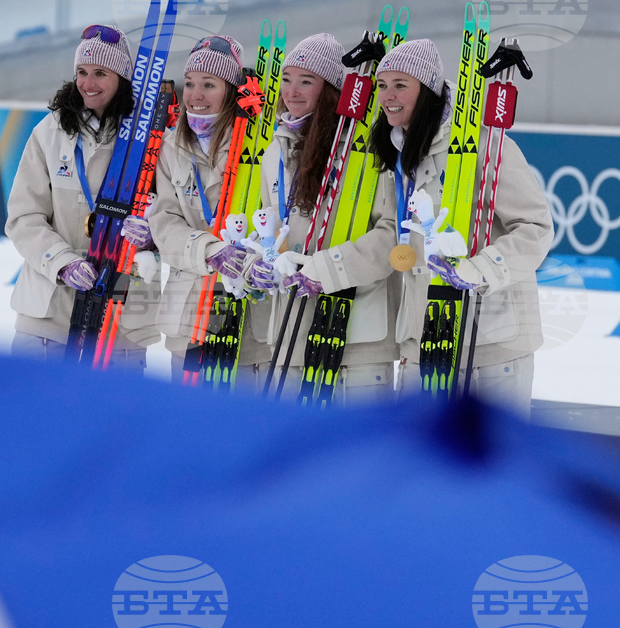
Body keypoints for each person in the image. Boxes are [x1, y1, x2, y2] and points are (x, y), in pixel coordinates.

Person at [369, 39, 553, 416]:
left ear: (428, 91)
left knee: (489, 471)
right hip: (426, 342)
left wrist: (479, 269)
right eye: (382, 84)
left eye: (400, 84)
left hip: (490, 345)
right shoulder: (401, 152)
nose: (388, 95)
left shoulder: (485, 146)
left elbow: (536, 227)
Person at [249, 33, 401, 402]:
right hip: (290, 335)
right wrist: (261, 261)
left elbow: (392, 234)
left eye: (307, 81)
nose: (292, 91)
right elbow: (268, 225)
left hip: (357, 336)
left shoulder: (368, 151)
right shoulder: (274, 151)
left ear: (333, 88)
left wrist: (327, 268)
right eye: (286, 79)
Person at [5, 25, 161, 373]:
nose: (88, 83)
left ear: (121, 78)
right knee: (34, 421)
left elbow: (173, 213)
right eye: (82, 72)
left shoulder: (150, 139)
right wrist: (62, 262)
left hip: (120, 322)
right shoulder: (48, 132)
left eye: (100, 73)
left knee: (111, 426)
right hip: (47, 315)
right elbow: (23, 217)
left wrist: (153, 234)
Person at [141, 34, 273, 388]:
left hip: (247, 316)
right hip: (189, 316)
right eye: (190, 84)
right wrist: (209, 250)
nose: (195, 95)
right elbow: (165, 222)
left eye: (209, 84)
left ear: (230, 90)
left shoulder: (262, 143)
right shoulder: (171, 146)